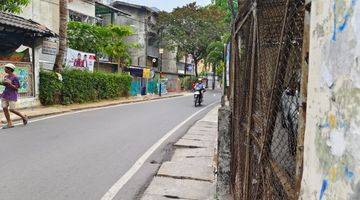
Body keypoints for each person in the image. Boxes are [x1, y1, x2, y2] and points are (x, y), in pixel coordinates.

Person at [1, 63, 28, 129]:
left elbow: (17, 87)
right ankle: (9, 123)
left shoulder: (15, 77)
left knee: (12, 109)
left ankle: (24, 117)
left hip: (12, 95)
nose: (4, 69)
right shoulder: (6, 77)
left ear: (10, 69)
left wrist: (10, 84)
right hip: (5, 94)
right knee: (4, 108)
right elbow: (5, 85)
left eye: (6, 68)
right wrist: (3, 83)